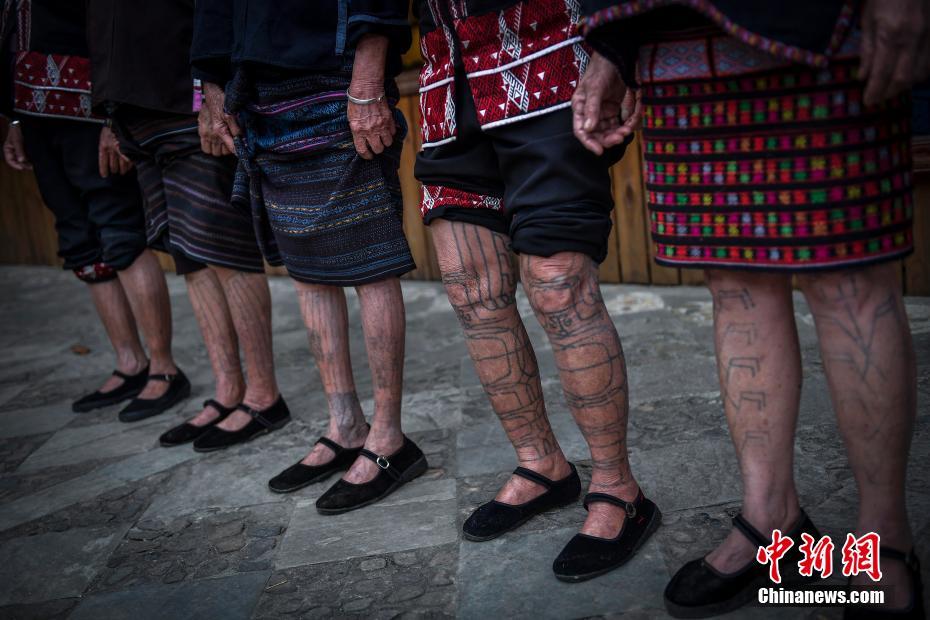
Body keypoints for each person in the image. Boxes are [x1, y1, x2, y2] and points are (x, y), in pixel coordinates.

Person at [575, 0, 927, 616]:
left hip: (824, 30)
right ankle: (772, 522)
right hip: (673, 38)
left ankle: (884, 542)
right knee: (734, 280)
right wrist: (612, 50)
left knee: (848, 279)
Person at [414, 0, 659, 582]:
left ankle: (618, 488)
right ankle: (542, 465)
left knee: (559, 287)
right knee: (470, 290)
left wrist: (615, 50)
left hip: (546, 63)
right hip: (447, 82)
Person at [191, 0, 427, 512]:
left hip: (336, 80)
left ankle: (389, 439)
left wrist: (367, 82)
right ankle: (345, 426)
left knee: (370, 264)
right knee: (307, 272)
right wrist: (211, 86)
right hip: (259, 97)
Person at [85, 0, 285, 444]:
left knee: (228, 251)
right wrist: (112, 115)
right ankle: (228, 389)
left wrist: (208, 93)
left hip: (184, 101)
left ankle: (263, 396)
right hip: (136, 112)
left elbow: (211, 11)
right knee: (190, 257)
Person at [0, 0, 183, 417]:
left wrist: (113, 119)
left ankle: (164, 369)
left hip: (90, 111)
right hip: (33, 114)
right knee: (78, 239)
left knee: (121, 235)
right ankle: (130, 363)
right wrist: (14, 120)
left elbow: (116, 27)